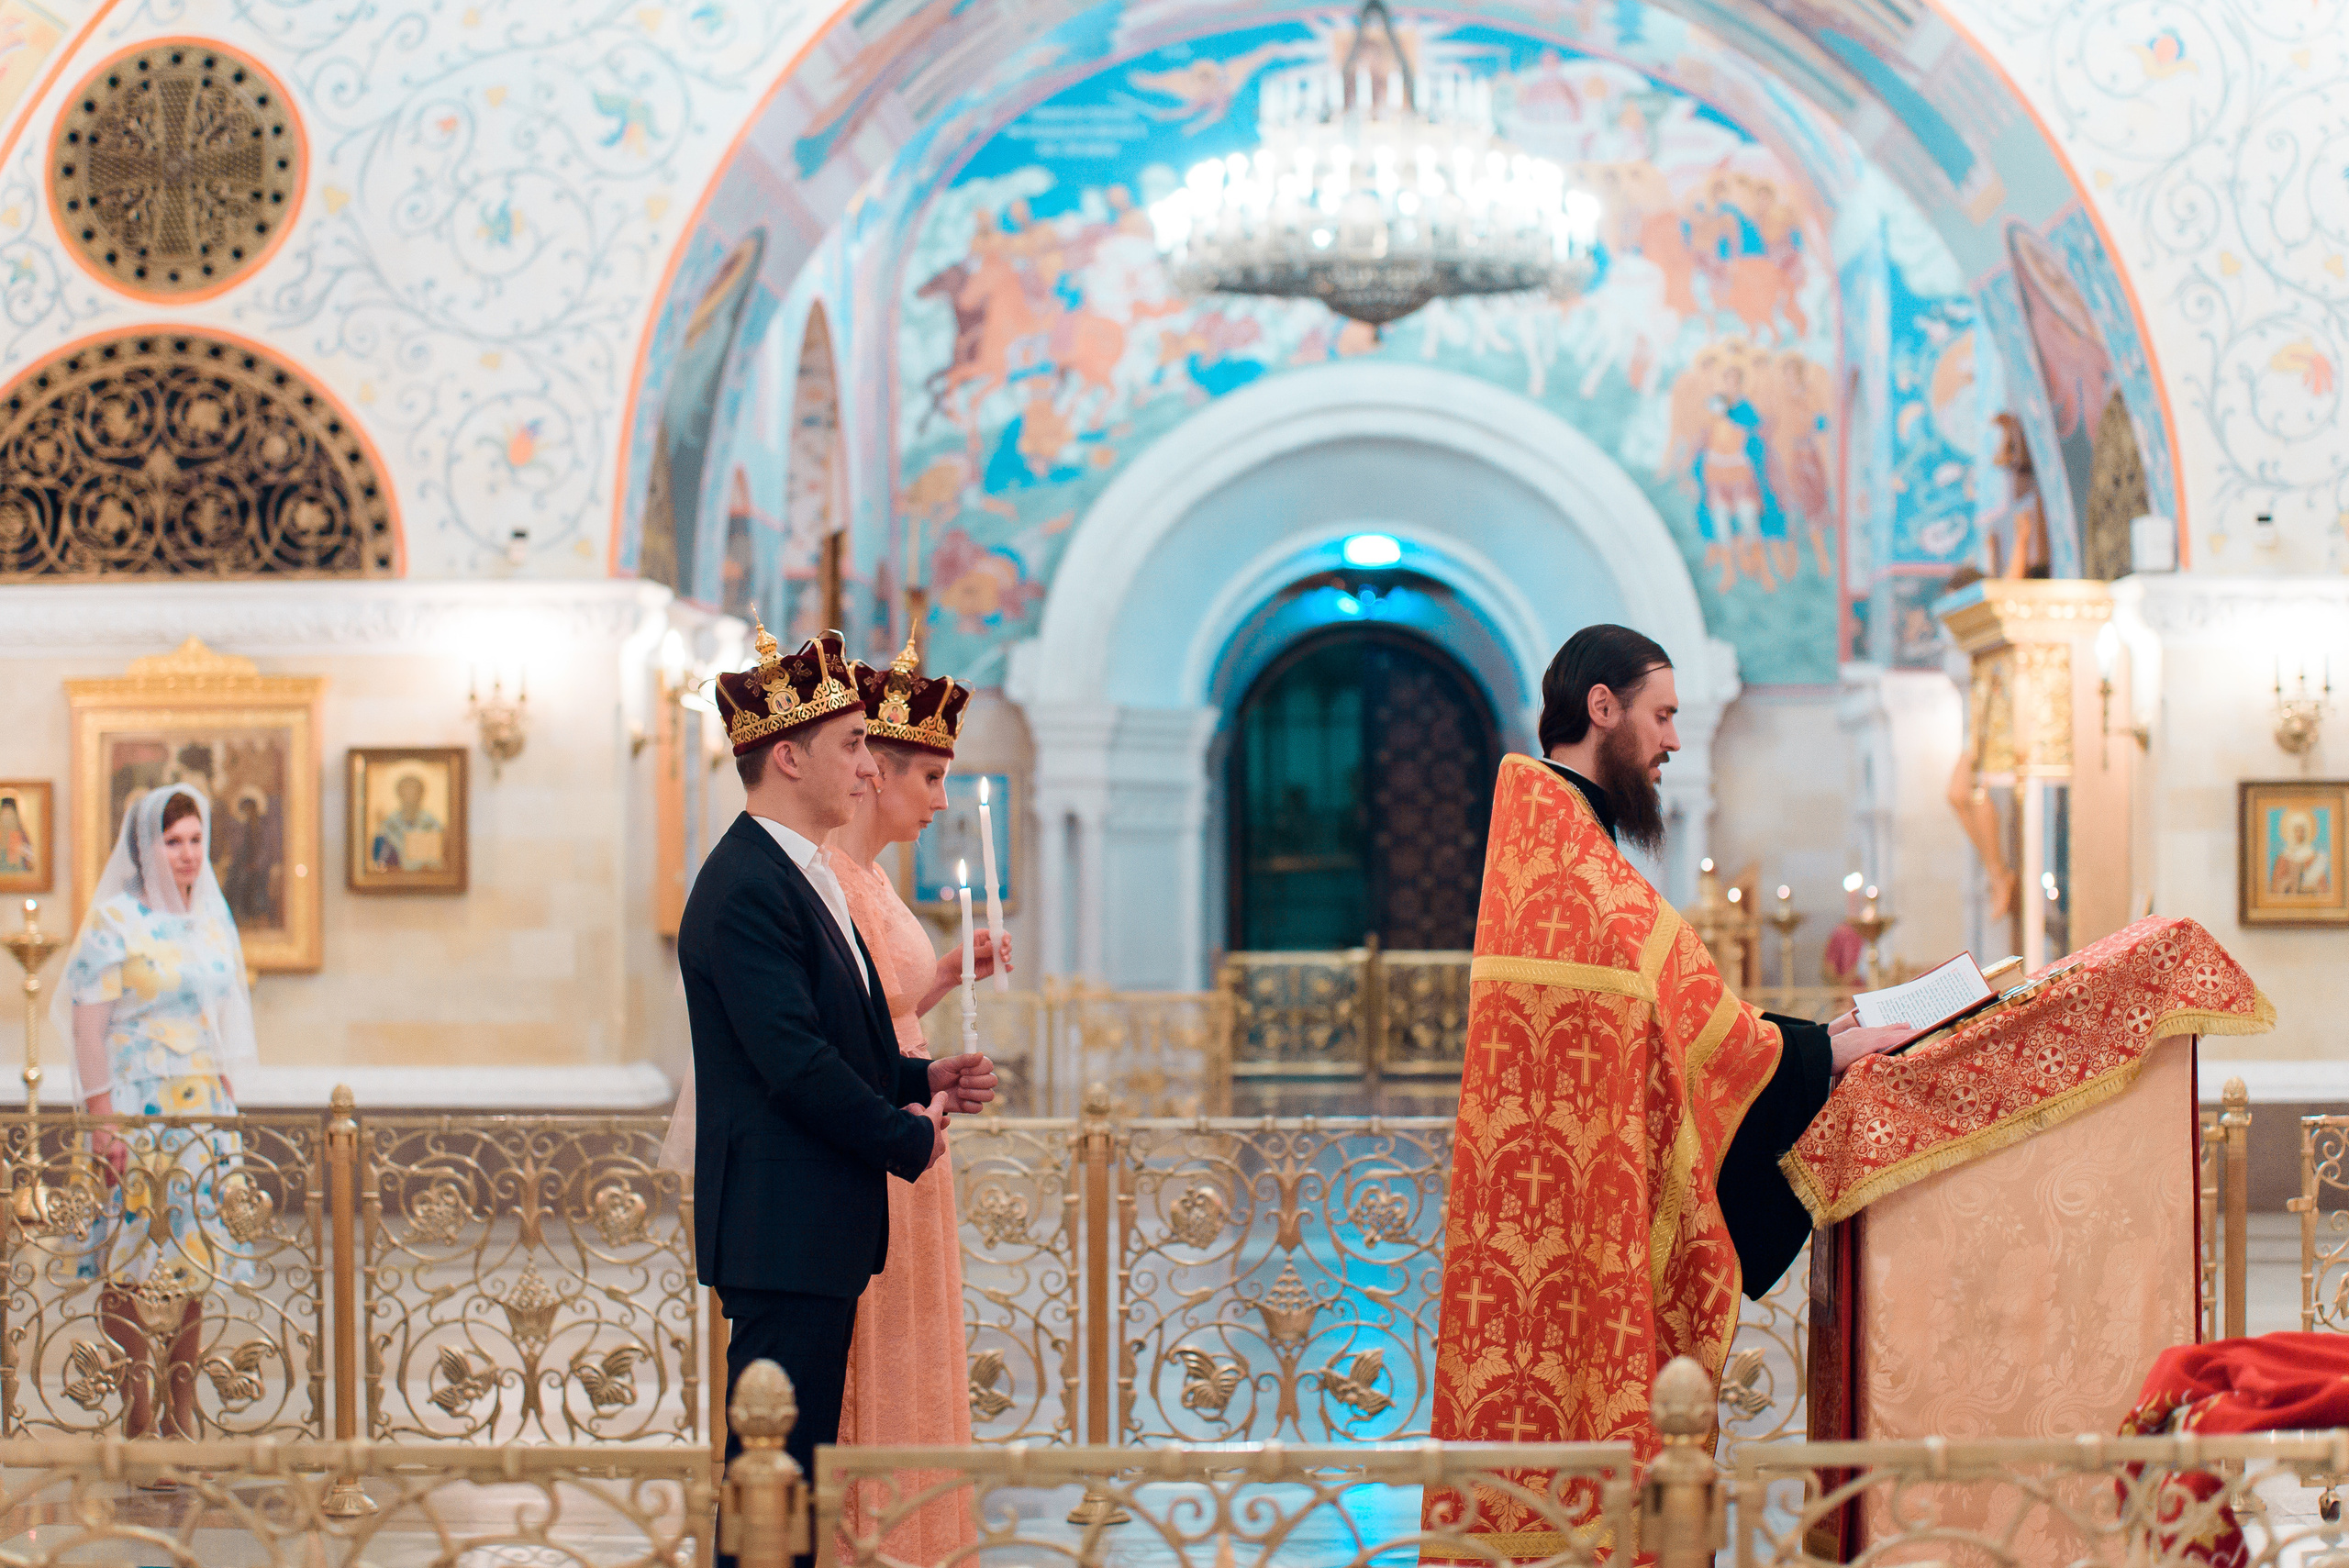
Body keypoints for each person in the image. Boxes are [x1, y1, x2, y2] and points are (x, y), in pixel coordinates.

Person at [1421, 625, 1909, 1561]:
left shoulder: (1560, 849)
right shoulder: (1574, 870)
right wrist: (1822, 1054)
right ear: (1600, 707)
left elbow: (1678, 1023)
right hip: (1576, 1223)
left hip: (1560, 1218)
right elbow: (1707, 1034)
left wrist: (1817, 1043)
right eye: (1662, 715)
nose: (1674, 741)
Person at [681, 623, 997, 1568]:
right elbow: (793, 1061)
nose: (868, 767)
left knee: (800, 1473)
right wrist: (905, 1136)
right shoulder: (745, 886)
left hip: (813, 1220)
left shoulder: (801, 869)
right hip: (781, 1224)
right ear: (788, 755)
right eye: (853, 744)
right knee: (771, 1476)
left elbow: (843, 1036)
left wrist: (921, 1077)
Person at [824, 638, 1007, 1561]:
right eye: (928, 777)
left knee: (920, 1338)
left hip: (909, 1127)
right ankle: (877, 1536)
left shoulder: (879, 881)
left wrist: (939, 979)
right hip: (869, 1134)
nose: (941, 800)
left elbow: (878, 1012)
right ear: (874, 772)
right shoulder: (828, 882)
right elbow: (832, 1033)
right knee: (875, 1343)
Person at [52, 784, 262, 1446]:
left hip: (199, 1103)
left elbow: (219, 1012)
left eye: (196, 839)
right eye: (173, 841)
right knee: (129, 1256)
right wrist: (102, 1120)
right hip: (136, 1103)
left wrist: (226, 1093)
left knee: (192, 1257)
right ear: (146, 846)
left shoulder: (210, 918)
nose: (187, 854)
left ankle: (182, 1409)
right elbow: (89, 1029)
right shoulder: (116, 920)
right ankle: (137, 1402)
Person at [370, 773, 445, 872]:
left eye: (414, 791)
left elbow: (439, 856)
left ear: (421, 794)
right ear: (399, 794)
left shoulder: (432, 822)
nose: (410, 796)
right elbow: (380, 859)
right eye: (406, 791)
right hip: (395, 876)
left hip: (426, 874)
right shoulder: (389, 823)